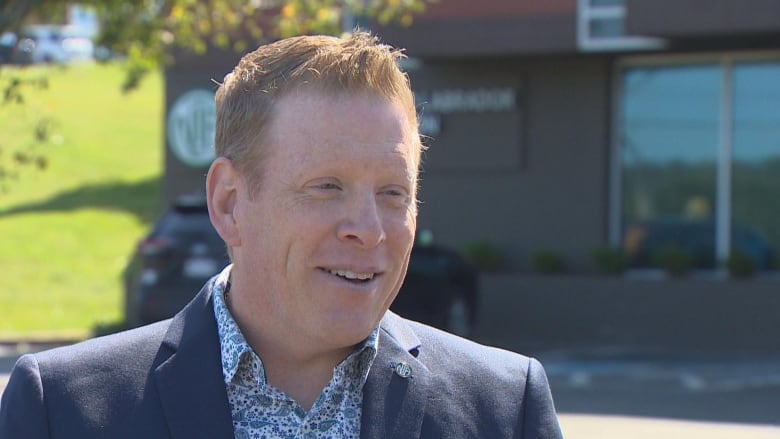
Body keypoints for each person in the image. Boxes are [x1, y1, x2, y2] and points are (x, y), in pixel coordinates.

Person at [0, 32, 563, 438]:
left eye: (393, 194)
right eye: (326, 187)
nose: (368, 231)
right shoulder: (66, 411)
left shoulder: (502, 409)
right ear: (229, 203)